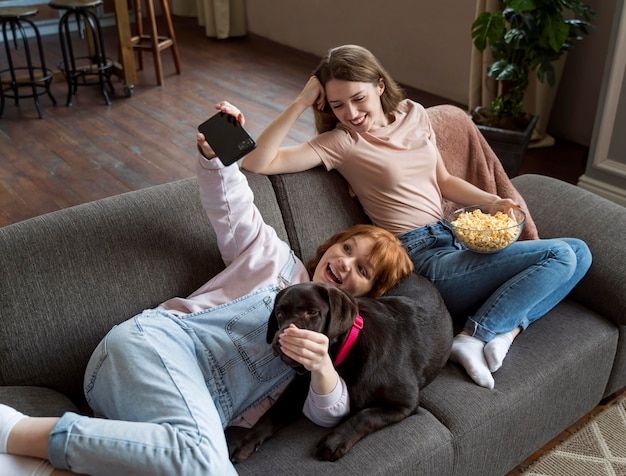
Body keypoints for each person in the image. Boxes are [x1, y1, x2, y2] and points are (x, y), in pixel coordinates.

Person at [0, 105, 414, 476]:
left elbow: (329, 415)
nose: (344, 263)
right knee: (204, 459)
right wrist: (217, 156)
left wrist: (322, 366)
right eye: (345, 248)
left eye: (362, 269)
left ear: (366, 295)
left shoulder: (339, 348)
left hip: (163, 415)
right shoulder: (272, 258)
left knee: (200, 457)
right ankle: (15, 431)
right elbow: (232, 208)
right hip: (153, 350)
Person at [239, 44, 593, 390]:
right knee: (558, 255)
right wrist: (302, 101)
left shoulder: (414, 113)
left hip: (452, 240)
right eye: (337, 105)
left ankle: (506, 329)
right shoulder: (343, 142)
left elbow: (444, 180)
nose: (351, 112)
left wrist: (493, 200)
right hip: (419, 258)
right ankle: (474, 336)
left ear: (380, 85)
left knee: (580, 252)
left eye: (358, 98)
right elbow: (257, 162)